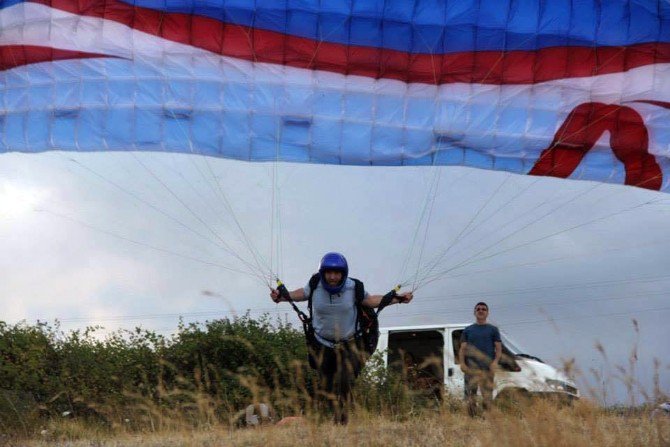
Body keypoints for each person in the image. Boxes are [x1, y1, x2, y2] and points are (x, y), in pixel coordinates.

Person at [270, 252, 413, 424]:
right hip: (322, 344)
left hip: (350, 343)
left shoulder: (354, 287)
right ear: (323, 272)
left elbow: (371, 301)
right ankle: (322, 420)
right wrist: (282, 297)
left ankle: (341, 421)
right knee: (326, 385)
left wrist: (397, 299)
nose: (332, 277)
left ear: (343, 273)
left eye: (337, 273)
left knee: (346, 379)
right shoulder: (315, 283)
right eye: (329, 272)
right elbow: (301, 293)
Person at [458, 301, 502, 417]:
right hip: (471, 368)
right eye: (478, 309)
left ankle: (487, 420)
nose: (481, 311)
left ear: (487, 313)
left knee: (487, 395)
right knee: (470, 396)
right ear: (474, 312)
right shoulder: (468, 330)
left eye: (483, 309)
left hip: (487, 368)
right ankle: (472, 420)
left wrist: (495, 362)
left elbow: (498, 348)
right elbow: (462, 349)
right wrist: (462, 364)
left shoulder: (493, 330)